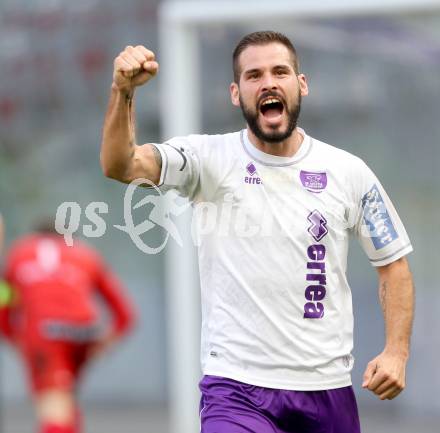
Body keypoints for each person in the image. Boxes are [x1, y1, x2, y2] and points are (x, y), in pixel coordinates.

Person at [100, 31, 414, 433]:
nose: (268, 82)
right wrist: (121, 91)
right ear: (236, 93)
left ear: (301, 84)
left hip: (326, 390)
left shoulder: (348, 172)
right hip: (236, 390)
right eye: (254, 75)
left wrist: (396, 352)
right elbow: (121, 165)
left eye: (280, 71)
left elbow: (393, 264)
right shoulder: (206, 160)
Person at [0, 221, 136, 433]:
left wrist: (15, 339)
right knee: (65, 401)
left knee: (54, 407)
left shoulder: (19, 254)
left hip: (45, 334)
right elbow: (125, 315)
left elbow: (4, 303)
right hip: (85, 332)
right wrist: (105, 343)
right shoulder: (86, 254)